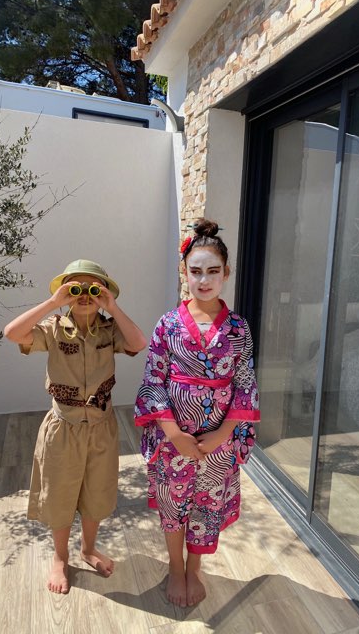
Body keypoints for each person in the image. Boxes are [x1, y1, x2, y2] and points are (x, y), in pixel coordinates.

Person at [134, 219, 260, 607]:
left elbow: (245, 384)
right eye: (196, 271)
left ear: (226, 273)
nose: (204, 280)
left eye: (213, 271)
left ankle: (194, 569)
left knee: (207, 505)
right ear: (184, 272)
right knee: (173, 503)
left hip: (219, 441)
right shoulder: (168, 324)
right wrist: (174, 433)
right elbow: (153, 379)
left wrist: (222, 434)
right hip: (173, 438)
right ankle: (175, 567)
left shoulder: (238, 328)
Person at [4, 259, 147, 594]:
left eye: (93, 289)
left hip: (101, 426)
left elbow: (138, 343)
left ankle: (88, 549)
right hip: (63, 427)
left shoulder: (110, 330)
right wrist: (53, 303)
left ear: (104, 293)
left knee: (97, 491)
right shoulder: (54, 329)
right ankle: (60, 556)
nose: (84, 295)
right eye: (76, 288)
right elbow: (12, 333)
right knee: (60, 493)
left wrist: (112, 307)